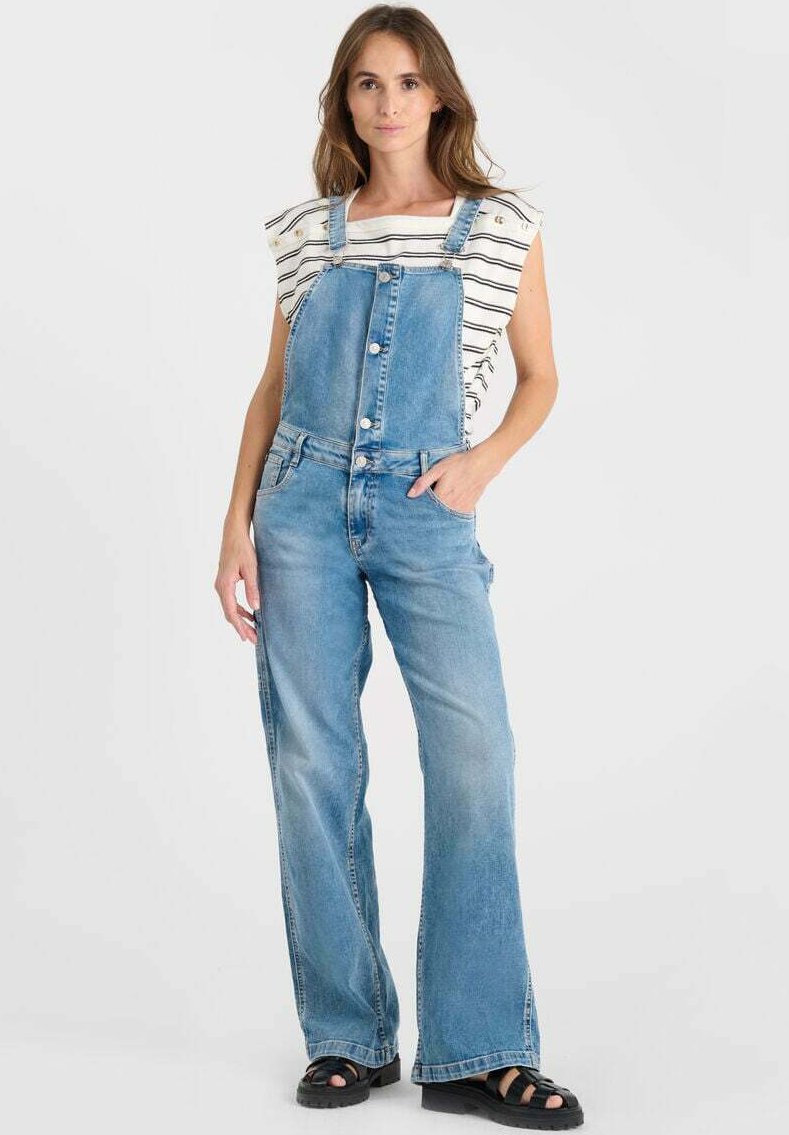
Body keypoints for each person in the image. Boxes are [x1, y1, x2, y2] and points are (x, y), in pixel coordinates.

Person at [215, 5, 584, 1128]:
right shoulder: (306, 233)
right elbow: (273, 389)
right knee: (313, 766)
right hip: (299, 508)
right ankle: (348, 1034)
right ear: (345, 101)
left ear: (441, 97)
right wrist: (235, 525)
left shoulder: (498, 228)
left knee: (475, 757)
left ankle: (479, 1047)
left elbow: (540, 377)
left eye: (408, 82)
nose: (388, 102)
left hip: (429, 508)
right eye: (367, 83)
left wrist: (480, 464)